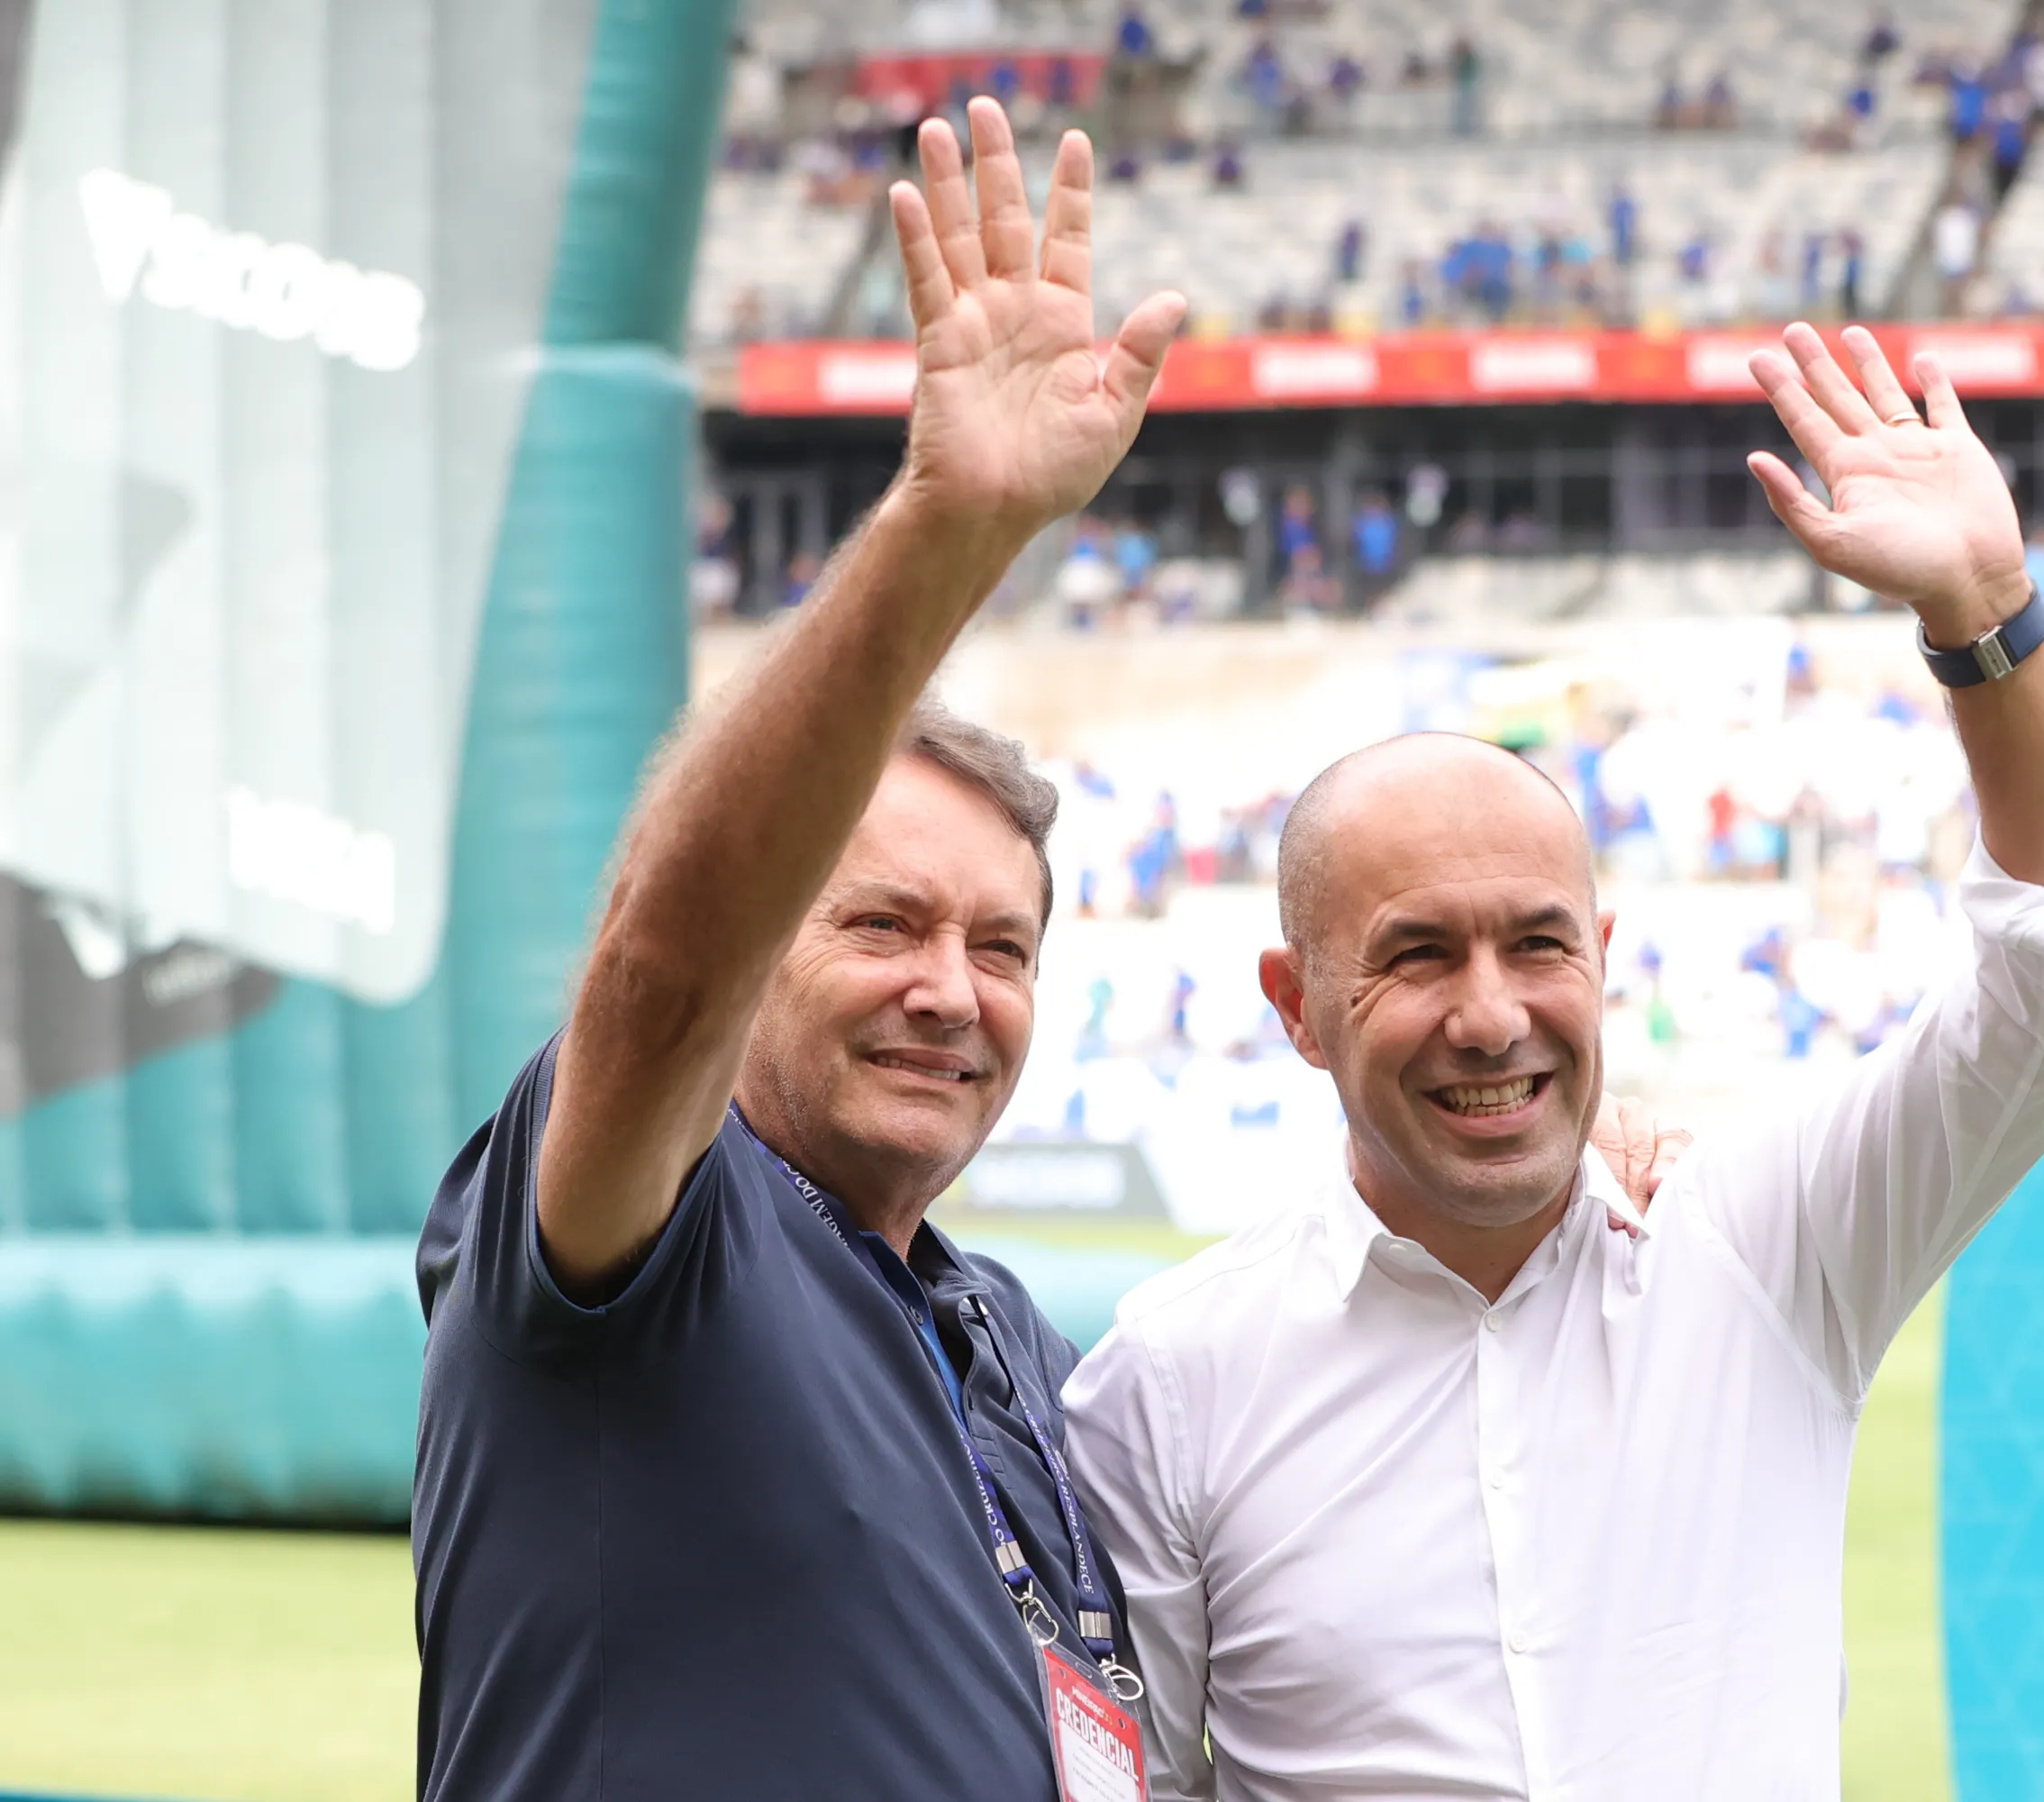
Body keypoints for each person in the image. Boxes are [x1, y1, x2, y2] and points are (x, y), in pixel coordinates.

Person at [413, 103, 1682, 1802]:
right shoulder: (652, 1236)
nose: (950, 990)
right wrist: (948, 529)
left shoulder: (1005, 1342)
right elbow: (664, 969)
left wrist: (1563, 1157)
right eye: (880, 923)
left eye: (1001, 947)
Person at [1062, 320, 2044, 1799]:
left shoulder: (1769, 1248)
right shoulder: (1169, 1379)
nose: (1491, 1015)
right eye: (1416, 955)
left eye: (1538, 945)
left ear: (1604, 957)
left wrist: (1989, 615)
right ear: (1295, 1005)